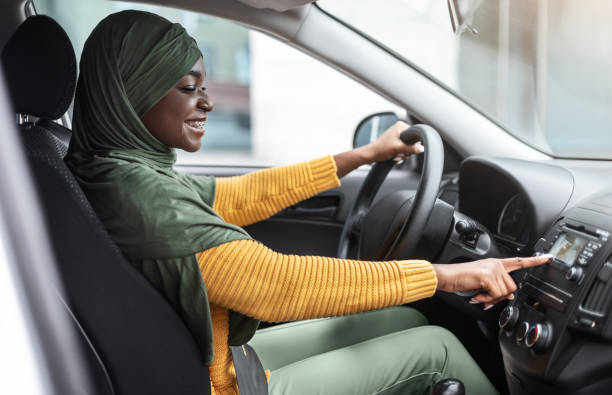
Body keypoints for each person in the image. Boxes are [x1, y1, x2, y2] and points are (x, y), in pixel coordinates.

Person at [65, 10, 549, 395]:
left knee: (403, 318)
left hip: (210, 362)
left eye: (204, 87)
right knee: (438, 349)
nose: (207, 102)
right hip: (218, 385)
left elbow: (235, 196)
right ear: (132, 94)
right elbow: (279, 285)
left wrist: (361, 155)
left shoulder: (118, 170)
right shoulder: (144, 200)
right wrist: (443, 274)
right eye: (189, 88)